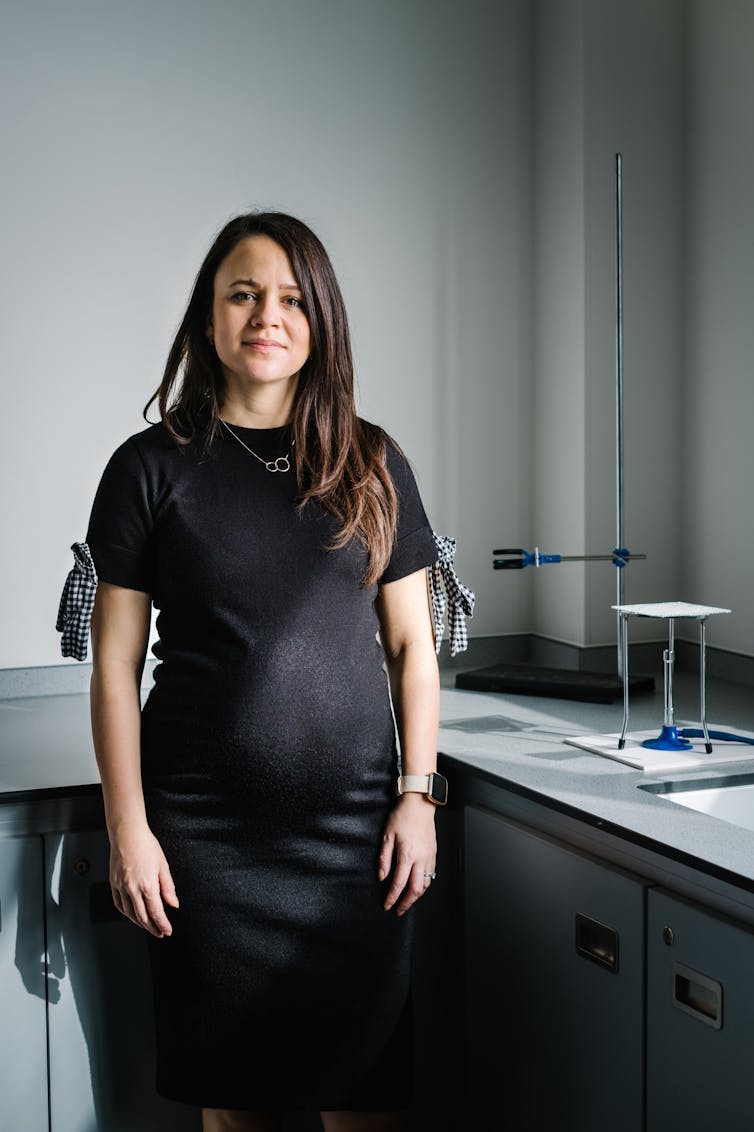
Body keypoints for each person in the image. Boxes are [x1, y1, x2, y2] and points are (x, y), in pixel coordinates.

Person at [58, 212, 450, 1132]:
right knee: (236, 1113)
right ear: (206, 319)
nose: (265, 315)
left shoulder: (373, 460)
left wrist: (419, 797)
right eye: (242, 294)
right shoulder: (148, 469)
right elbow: (114, 665)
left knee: (367, 1107)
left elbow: (412, 650)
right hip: (206, 845)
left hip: (356, 846)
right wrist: (131, 830)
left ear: (320, 322)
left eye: (288, 298)